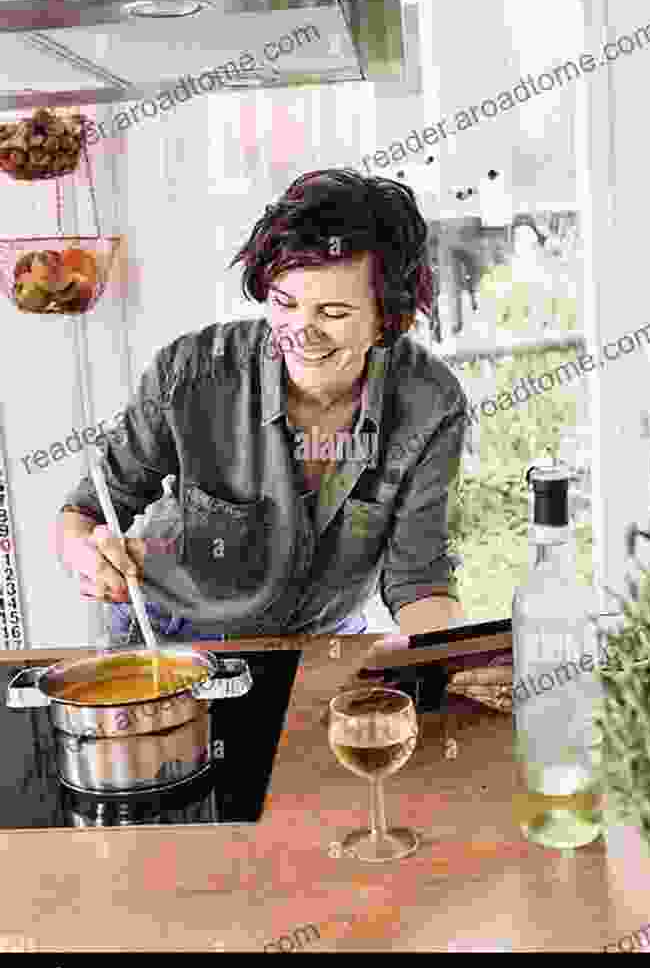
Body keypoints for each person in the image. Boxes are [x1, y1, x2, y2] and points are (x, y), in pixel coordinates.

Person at [54, 168, 468, 646]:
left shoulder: (430, 403)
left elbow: (421, 576)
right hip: (172, 640)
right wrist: (89, 555)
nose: (300, 332)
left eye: (333, 313)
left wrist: (446, 665)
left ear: (387, 319)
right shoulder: (189, 373)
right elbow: (84, 512)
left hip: (324, 641)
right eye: (284, 303)